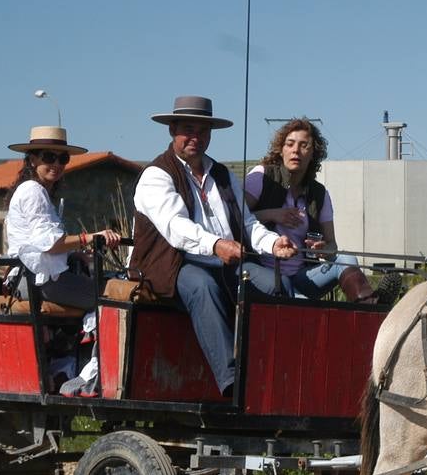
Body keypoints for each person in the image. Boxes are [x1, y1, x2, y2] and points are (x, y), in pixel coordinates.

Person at [131, 95, 296, 397]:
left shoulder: (222, 175)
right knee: (202, 286)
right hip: (172, 265)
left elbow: (246, 225)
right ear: (172, 131)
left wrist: (273, 243)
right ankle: (232, 383)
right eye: (188, 130)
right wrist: (216, 244)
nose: (195, 137)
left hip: (225, 261)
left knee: (276, 285)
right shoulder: (156, 175)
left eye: (202, 131)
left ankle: (277, 369)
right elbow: (176, 227)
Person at [244, 117, 381, 302]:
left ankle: (369, 304)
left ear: (312, 154)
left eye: (303, 145)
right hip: (263, 272)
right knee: (289, 292)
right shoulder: (262, 177)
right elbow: (234, 217)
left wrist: (323, 249)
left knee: (347, 259)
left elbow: (332, 246)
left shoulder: (319, 193)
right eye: (290, 144)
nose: (295, 151)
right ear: (281, 150)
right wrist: (272, 215)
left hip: (303, 276)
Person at [4, 125, 122, 308]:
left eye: (63, 158)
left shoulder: (40, 193)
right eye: (49, 157)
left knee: (113, 288)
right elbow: (48, 244)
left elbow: (41, 245)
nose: (57, 164)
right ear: (33, 160)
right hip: (39, 281)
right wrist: (90, 237)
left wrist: (75, 254)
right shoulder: (33, 191)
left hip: (43, 279)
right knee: (116, 300)